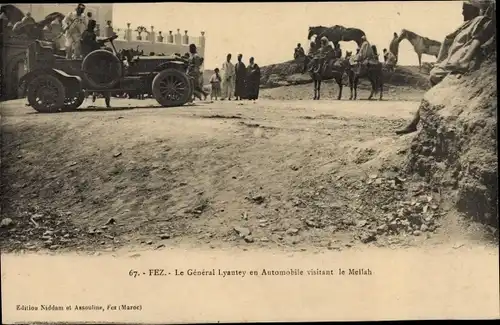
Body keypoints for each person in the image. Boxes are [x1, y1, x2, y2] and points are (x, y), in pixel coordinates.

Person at [396, 0, 495, 135]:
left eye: (465, 9)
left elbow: (479, 37)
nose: (462, 12)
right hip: (451, 61)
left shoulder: (481, 21)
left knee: (435, 81)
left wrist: (464, 60)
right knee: (434, 78)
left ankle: (415, 122)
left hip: (459, 62)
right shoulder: (466, 25)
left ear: (474, 9)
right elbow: (449, 41)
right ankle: (415, 122)